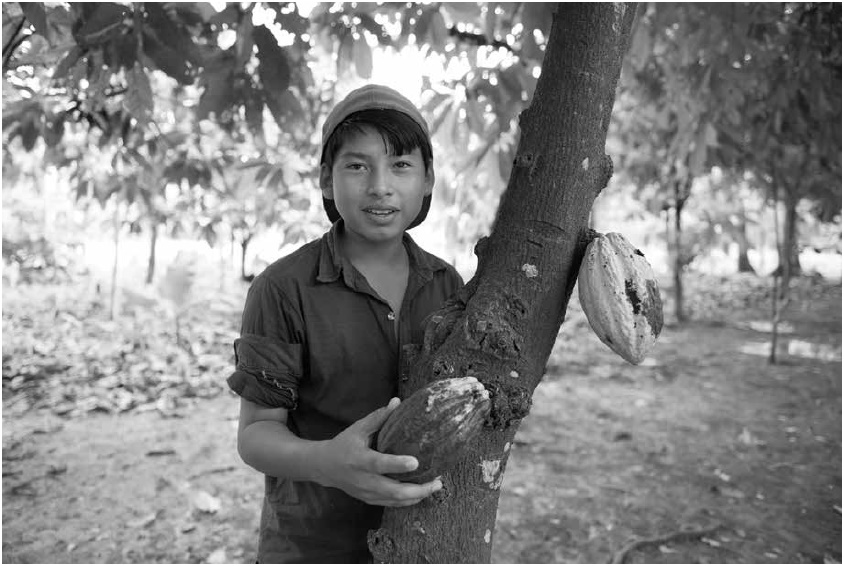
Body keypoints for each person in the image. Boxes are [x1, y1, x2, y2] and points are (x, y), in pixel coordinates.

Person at [227, 84, 464, 563]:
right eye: (357, 166)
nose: (380, 186)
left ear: (428, 180)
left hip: (425, 537)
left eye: (401, 165)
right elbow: (255, 436)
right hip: (313, 543)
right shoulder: (282, 288)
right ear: (325, 179)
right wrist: (327, 463)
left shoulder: (448, 285)